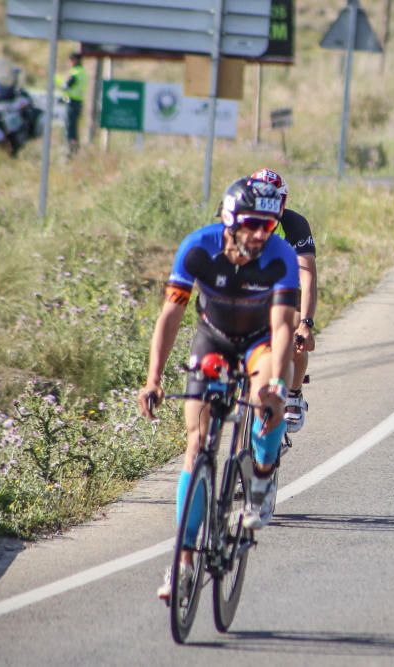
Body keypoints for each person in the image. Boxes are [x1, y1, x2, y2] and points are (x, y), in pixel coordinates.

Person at [138, 177, 299, 600]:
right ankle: (184, 564)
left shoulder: (281, 256)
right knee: (196, 445)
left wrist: (279, 383)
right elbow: (170, 314)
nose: (261, 234)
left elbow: (283, 327)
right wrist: (153, 378)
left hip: (259, 341)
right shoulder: (198, 247)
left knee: (267, 395)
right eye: (252, 224)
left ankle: (262, 476)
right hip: (214, 338)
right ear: (229, 221)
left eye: (268, 225)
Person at [249, 168, 317, 434]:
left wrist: (306, 323)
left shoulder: (295, 224)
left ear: (284, 202)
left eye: (275, 201)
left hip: (284, 288)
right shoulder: (241, 222)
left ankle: (294, 394)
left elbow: (308, 275)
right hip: (250, 288)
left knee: (296, 337)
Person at [57, 52, 86, 156]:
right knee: (74, 127)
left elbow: (67, 86)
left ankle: (71, 150)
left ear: (75, 60)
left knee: (70, 127)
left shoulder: (75, 73)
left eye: (71, 60)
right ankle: (74, 148)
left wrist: (59, 82)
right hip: (78, 102)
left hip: (72, 102)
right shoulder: (82, 71)